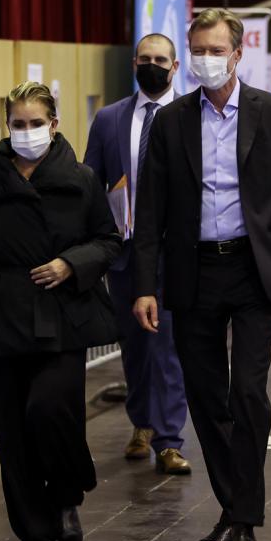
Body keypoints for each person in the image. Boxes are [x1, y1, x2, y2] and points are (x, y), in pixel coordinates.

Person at [133, 8, 271, 541]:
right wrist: (145, 284)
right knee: (206, 396)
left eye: (216, 50)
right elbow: (151, 213)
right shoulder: (172, 122)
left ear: (238, 54)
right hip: (194, 273)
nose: (205, 60)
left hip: (254, 269)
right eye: (198, 50)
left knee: (248, 393)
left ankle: (245, 517)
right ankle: (233, 511)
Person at [0, 82, 120, 541]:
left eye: (35, 123)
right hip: (0, 318)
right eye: (18, 124)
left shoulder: (80, 179)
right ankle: (32, 527)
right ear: (7, 126)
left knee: (50, 410)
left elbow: (108, 241)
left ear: (54, 124)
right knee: (12, 429)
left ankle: (65, 498)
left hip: (61, 315)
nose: (27, 132)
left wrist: (71, 263)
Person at [84, 34, 192, 475]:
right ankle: (141, 425)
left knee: (168, 344)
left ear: (175, 66)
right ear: (134, 63)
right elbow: (92, 180)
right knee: (134, 344)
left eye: (160, 59)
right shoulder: (109, 119)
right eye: (145, 59)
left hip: (175, 253)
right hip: (125, 252)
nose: (152, 65)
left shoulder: (192, 115)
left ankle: (169, 438)